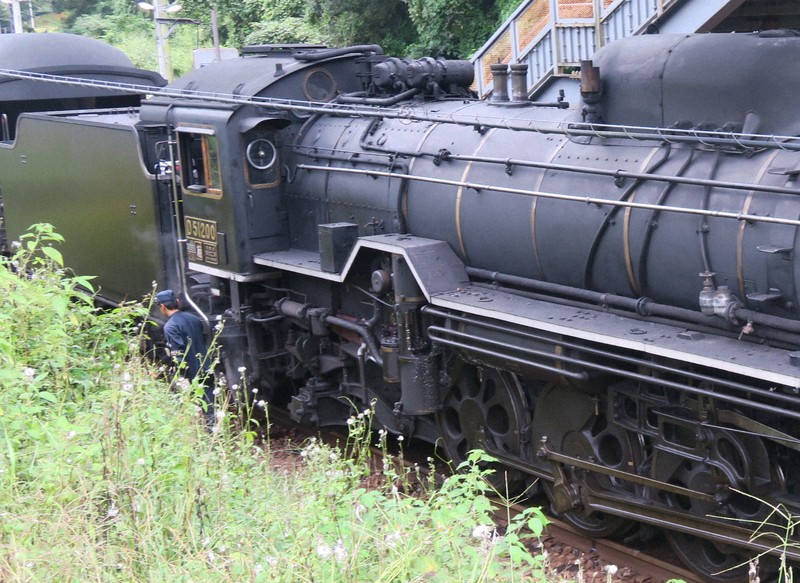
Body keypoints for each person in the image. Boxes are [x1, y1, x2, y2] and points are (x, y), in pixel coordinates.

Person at [155, 289, 215, 424]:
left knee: (192, 405)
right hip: (205, 365)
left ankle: (207, 435)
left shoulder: (170, 326)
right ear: (177, 302)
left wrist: (180, 376)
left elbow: (178, 353)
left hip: (192, 373)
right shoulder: (193, 318)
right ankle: (217, 434)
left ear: (162, 306)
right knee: (210, 406)